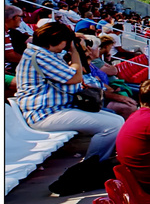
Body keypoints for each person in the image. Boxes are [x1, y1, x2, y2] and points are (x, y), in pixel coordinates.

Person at [12, 20, 124, 159]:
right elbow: (75, 77)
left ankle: (98, 159)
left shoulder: (42, 53)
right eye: (65, 41)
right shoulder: (40, 56)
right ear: (55, 41)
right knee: (112, 126)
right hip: (45, 114)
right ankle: (94, 163)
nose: (66, 46)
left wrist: (75, 38)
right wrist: (75, 52)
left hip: (55, 110)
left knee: (118, 120)